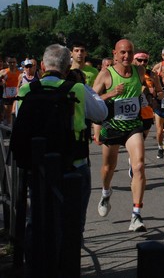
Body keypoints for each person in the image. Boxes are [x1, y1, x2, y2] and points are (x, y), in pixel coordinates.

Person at [16, 44, 108, 237]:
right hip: (73, 163)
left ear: (42, 66)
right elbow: (102, 113)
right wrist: (85, 87)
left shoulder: (25, 91)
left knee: (38, 213)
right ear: (68, 69)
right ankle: (70, 259)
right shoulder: (78, 89)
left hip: (37, 164)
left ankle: (35, 258)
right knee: (73, 218)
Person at [93, 39, 148, 232]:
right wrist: (111, 94)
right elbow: (91, 100)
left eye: (130, 52)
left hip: (133, 126)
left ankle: (136, 215)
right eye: (122, 52)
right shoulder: (106, 74)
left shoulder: (139, 71)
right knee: (109, 167)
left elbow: (144, 90)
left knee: (139, 165)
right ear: (115, 53)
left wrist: (151, 98)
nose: (126, 56)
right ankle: (106, 192)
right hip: (112, 126)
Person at [0, 56, 20, 125]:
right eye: (10, 62)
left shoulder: (20, 72)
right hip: (7, 95)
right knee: (7, 114)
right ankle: (8, 128)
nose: (12, 64)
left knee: (14, 113)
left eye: (14, 62)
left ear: (16, 63)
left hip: (16, 95)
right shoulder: (3, 71)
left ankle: (12, 127)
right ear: (7, 63)